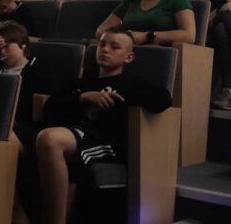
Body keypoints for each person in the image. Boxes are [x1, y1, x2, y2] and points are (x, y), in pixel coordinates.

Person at [35, 29, 172, 224]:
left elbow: (163, 99)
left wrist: (117, 101)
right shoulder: (81, 82)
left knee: (49, 139)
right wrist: (84, 97)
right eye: (102, 44)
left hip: (102, 140)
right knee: (11, 139)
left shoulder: (131, 83)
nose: (105, 49)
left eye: (114, 47)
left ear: (128, 57)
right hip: (72, 133)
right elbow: (50, 107)